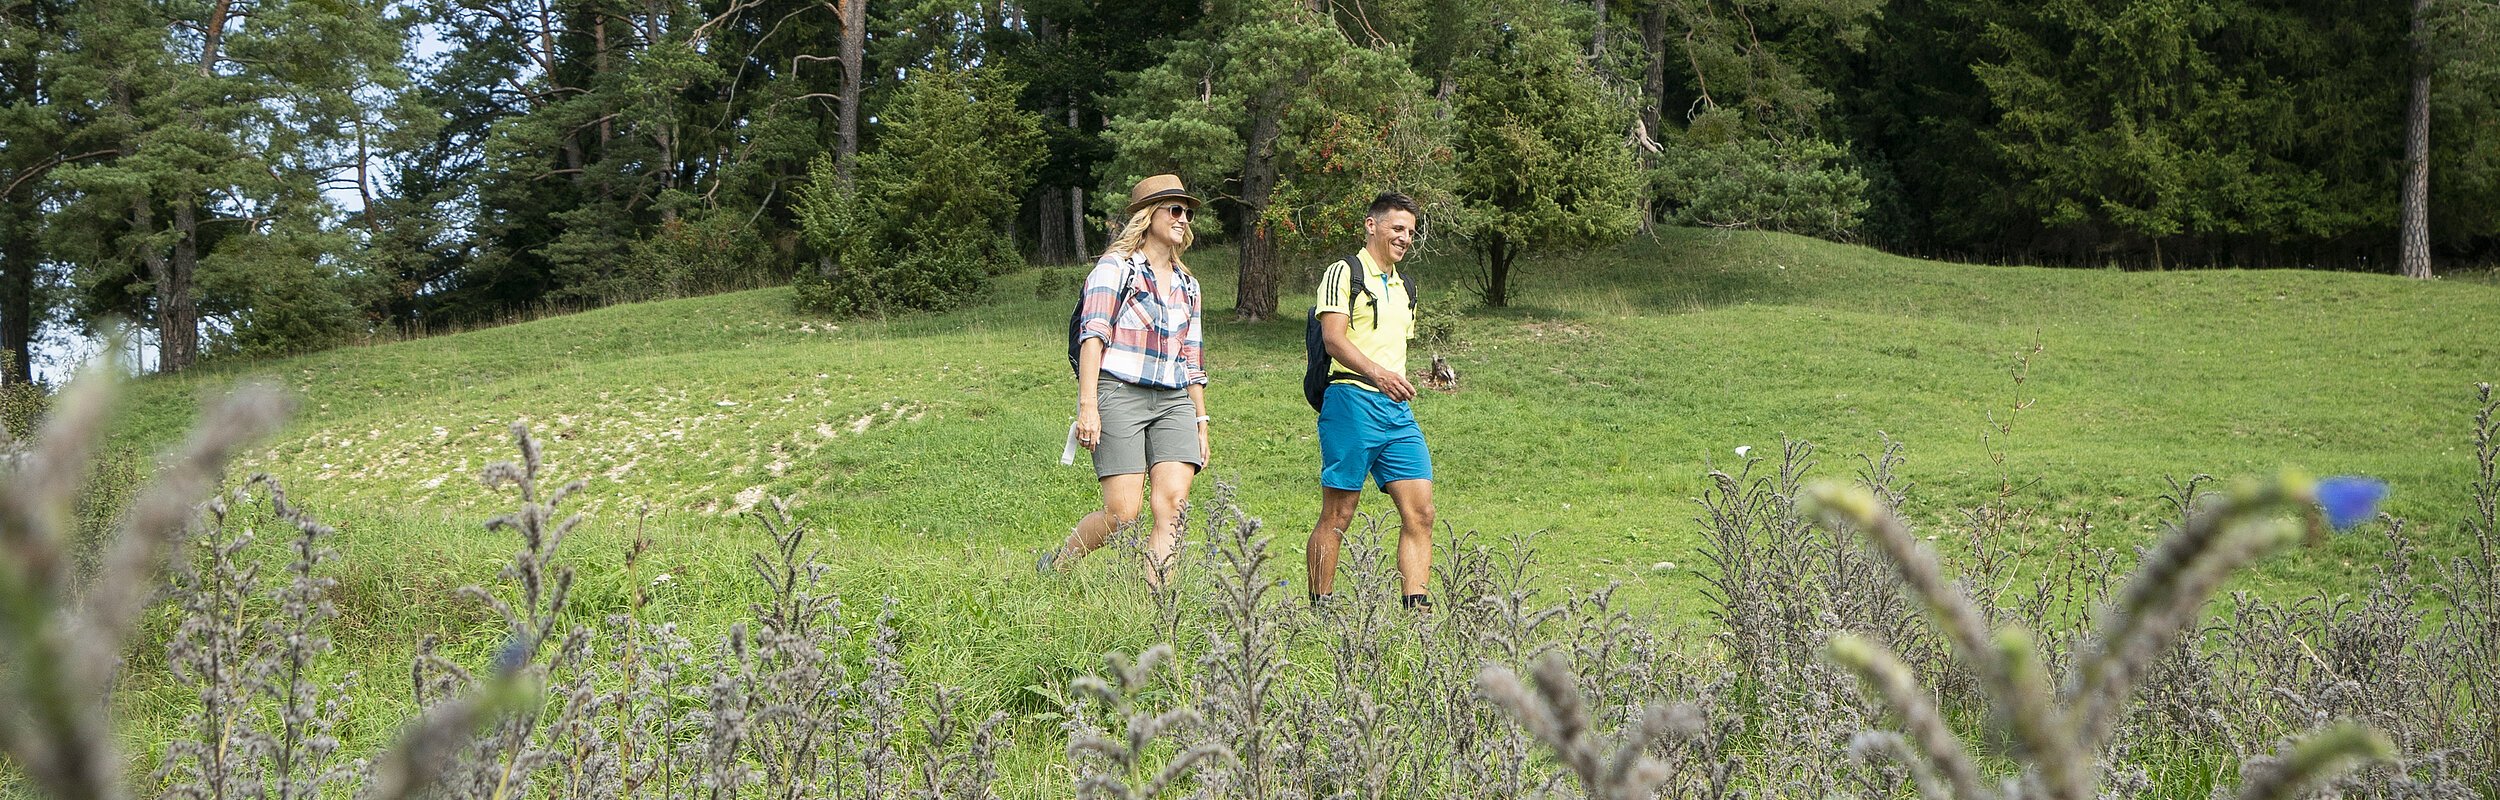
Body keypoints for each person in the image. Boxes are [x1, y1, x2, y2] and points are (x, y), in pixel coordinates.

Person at [1041, 174, 1209, 587]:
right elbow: (1092, 338)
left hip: (1174, 402)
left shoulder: (1189, 285)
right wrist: (1088, 407)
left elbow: (1192, 356)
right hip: (1119, 394)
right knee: (1122, 515)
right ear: (1148, 215)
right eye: (1174, 209)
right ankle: (1060, 561)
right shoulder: (1115, 269)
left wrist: (1201, 423)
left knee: (1173, 507)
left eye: (1187, 212)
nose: (1183, 219)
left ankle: (1156, 606)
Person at [1306, 192, 1436, 612]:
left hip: (1396, 413)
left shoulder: (1405, 287)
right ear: (1372, 224)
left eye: (1411, 232)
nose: (1405, 238)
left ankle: (1416, 616)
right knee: (1339, 514)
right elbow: (1334, 338)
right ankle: (1320, 611)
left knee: (1421, 511)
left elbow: (1392, 346)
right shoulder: (1345, 272)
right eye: (1398, 228)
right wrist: (1378, 374)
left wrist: (1397, 379)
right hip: (1350, 400)